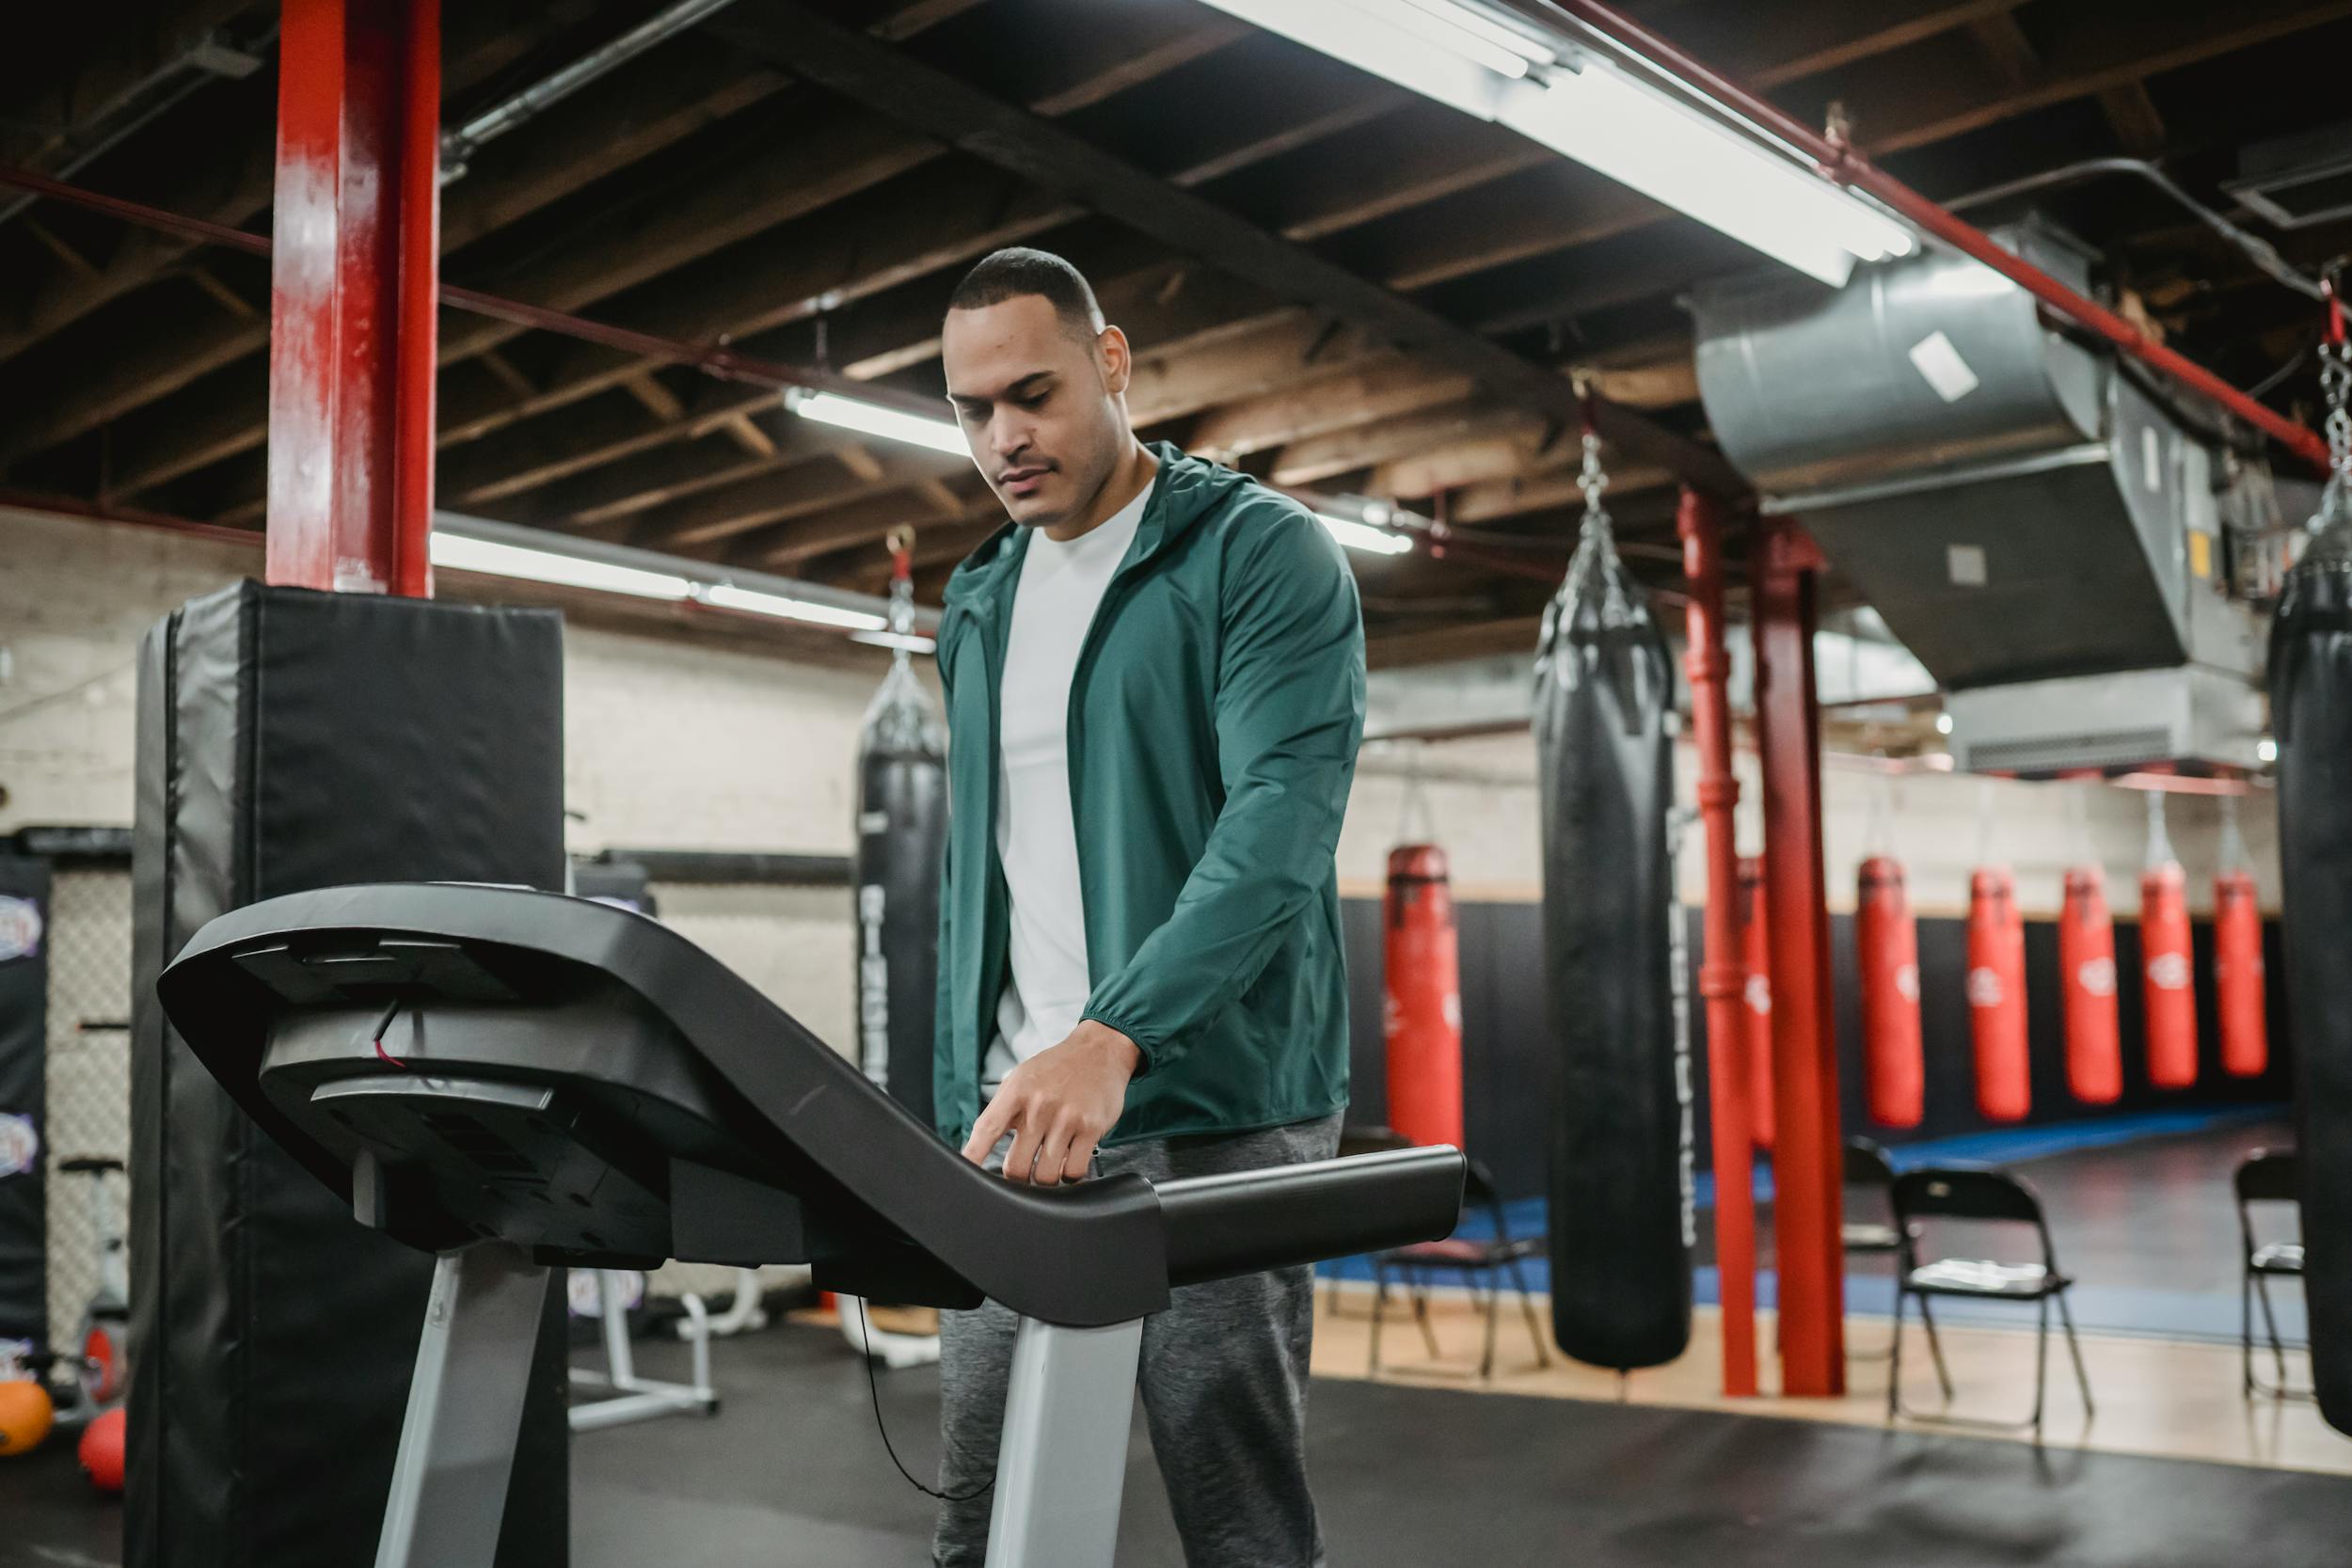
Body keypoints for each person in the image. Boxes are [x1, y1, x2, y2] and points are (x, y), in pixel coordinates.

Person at [928, 246, 1366, 1567]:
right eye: (970, 409)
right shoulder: (981, 598)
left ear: (1111, 363)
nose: (1004, 438)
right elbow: (991, 868)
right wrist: (974, 1076)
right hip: (1019, 1113)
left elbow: (1279, 826)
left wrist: (1114, 1032)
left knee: (1234, 1515)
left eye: (1034, 393)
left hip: (1212, 1102)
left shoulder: (1260, 554)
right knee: (979, 1514)